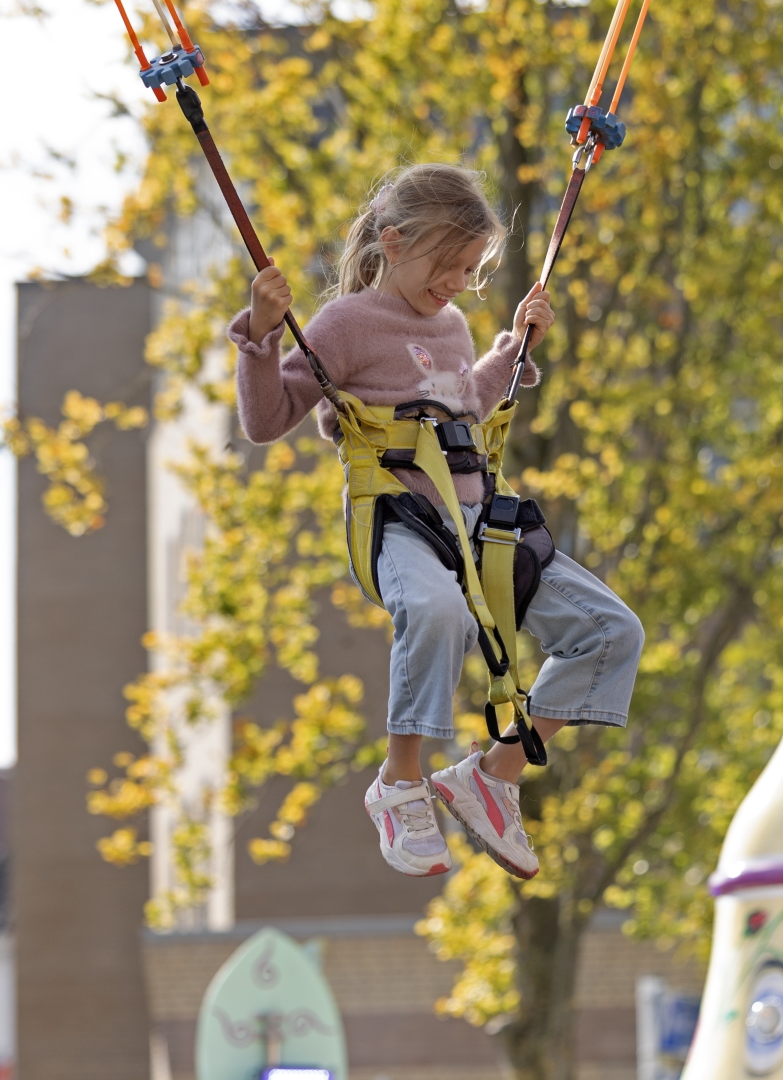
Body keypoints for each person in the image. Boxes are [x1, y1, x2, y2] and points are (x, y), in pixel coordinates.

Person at [227, 163, 645, 881]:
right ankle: (400, 781)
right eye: (448, 264)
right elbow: (267, 419)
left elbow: (461, 404)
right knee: (435, 609)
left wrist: (512, 351)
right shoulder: (346, 324)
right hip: (402, 519)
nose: (457, 282)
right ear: (393, 243)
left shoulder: (453, 327)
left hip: (482, 520)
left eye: (470, 270)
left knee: (611, 632)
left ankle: (493, 775)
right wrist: (262, 336)